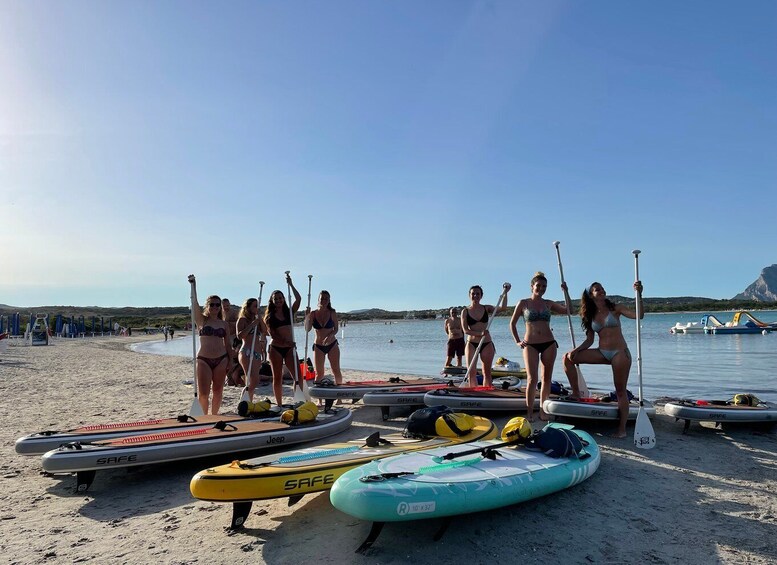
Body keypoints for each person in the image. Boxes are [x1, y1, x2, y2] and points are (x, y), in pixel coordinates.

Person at [562, 280, 644, 438]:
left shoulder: (616, 308)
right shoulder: (589, 315)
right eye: (597, 289)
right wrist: (576, 350)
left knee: (620, 391)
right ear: (590, 295)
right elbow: (590, 340)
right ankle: (576, 393)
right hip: (602, 352)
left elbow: (639, 315)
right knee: (567, 358)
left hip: (620, 354)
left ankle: (621, 430)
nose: (601, 291)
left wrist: (639, 294)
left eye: (602, 288)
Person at [509, 272, 572, 422]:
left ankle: (543, 411)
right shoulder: (523, 303)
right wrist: (518, 341)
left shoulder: (548, 303)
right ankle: (529, 412)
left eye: (544, 286)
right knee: (532, 379)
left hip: (549, 343)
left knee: (546, 379)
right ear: (532, 286)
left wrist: (566, 292)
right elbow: (512, 323)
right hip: (530, 344)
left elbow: (569, 310)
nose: (541, 288)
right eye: (538, 286)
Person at [187, 275, 231, 415]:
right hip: (204, 360)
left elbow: (228, 345)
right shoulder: (202, 321)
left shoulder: (224, 324)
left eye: (217, 305)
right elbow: (194, 304)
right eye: (212, 304)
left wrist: (231, 362)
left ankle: (214, 416)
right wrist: (193, 286)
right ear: (207, 306)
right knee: (204, 393)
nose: (215, 307)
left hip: (221, 359)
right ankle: (204, 418)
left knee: (218, 391)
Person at [460, 283, 511, 388]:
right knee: (472, 372)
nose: (475, 296)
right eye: (473, 294)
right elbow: (465, 330)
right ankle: (473, 393)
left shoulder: (486, 308)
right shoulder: (465, 311)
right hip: (471, 344)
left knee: (486, 372)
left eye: (478, 294)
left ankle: (487, 391)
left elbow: (503, 308)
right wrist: (480, 333)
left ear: (481, 295)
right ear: (469, 295)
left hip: (486, 343)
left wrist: (505, 293)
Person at [264, 274, 302, 409]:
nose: (279, 300)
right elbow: (273, 335)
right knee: (277, 377)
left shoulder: (289, 312)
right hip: (276, 349)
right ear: (272, 301)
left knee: (298, 377)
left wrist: (291, 284)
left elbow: (298, 298)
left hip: (290, 348)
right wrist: (287, 343)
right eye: (276, 299)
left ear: (284, 299)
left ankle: (299, 400)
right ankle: (279, 404)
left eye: (280, 298)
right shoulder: (269, 317)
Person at [304, 290, 343, 385]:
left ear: (329, 300)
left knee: (336, 370)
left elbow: (336, 329)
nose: (324, 300)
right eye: (322, 298)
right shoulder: (313, 313)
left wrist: (330, 336)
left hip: (332, 344)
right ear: (318, 300)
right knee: (319, 373)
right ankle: (320, 399)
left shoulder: (332, 312)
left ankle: (339, 397)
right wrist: (307, 317)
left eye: (326, 298)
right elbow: (307, 329)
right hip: (318, 346)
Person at [236, 298, 269, 401]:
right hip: (246, 351)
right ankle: (244, 401)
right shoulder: (242, 320)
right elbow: (240, 336)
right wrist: (252, 324)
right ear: (248, 307)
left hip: (257, 353)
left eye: (257, 306)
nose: (257, 308)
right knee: (250, 379)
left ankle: (248, 401)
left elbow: (265, 331)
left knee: (255, 380)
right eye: (255, 306)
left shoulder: (257, 320)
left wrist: (259, 319)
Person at [222, 298, 244, 386]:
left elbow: (240, 323)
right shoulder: (220, 314)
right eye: (224, 306)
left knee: (235, 355)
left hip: (236, 338)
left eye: (227, 305)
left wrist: (229, 324)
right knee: (226, 357)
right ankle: (229, 376)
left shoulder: (235, 313)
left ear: (230, 305)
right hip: (226, 338)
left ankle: (235, 373)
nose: (226, 307)